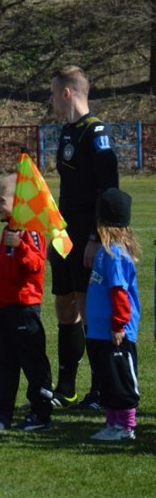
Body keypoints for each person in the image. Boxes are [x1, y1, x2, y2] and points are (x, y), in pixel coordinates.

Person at [49, 65, 120, 409]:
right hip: (63, 232)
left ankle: (101, 389)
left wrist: (95, 235)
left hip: (86, 234)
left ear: (67, 93)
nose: (51, 101)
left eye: (52, 94)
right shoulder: (66, 131)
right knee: (64, 306)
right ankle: (66, 388)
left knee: (87, 306)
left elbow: (108, 190)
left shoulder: (97, 133)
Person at [0, 174, 54, 432]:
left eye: (1, 200)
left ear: (19, 202)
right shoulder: (9, 229)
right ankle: (2, 414)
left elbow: (37, 266)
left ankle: (40, 413)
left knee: (33, 362)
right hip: (1, 307)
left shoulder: (32, 231)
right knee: (5, 363)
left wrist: (21, 247)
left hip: (23, 309)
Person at [85, 188, 141, 442]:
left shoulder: (115, 254)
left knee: (121, 379)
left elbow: (119, 292)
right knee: (107, 377)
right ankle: (112, 423)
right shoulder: (103, 252)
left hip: (114, 330)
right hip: (98, 329)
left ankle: (126, 426)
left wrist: (119, 324)